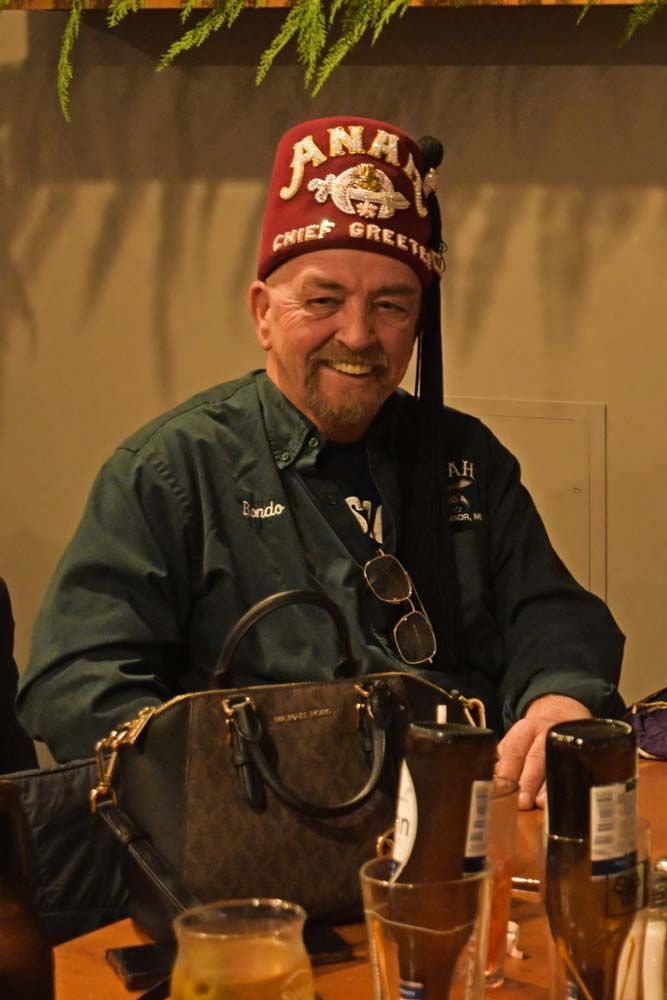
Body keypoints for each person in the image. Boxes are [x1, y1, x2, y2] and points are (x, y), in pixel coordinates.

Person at [16, 116, 625, 809]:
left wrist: (558, 700)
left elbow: (552, 613)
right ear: (262, 313)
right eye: (323, 300)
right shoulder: (172, 471)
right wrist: (226, 785)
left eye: (390, 305)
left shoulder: (465, 456)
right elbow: (74, 683)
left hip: (466, 812)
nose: (358, 335)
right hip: (260, 831)